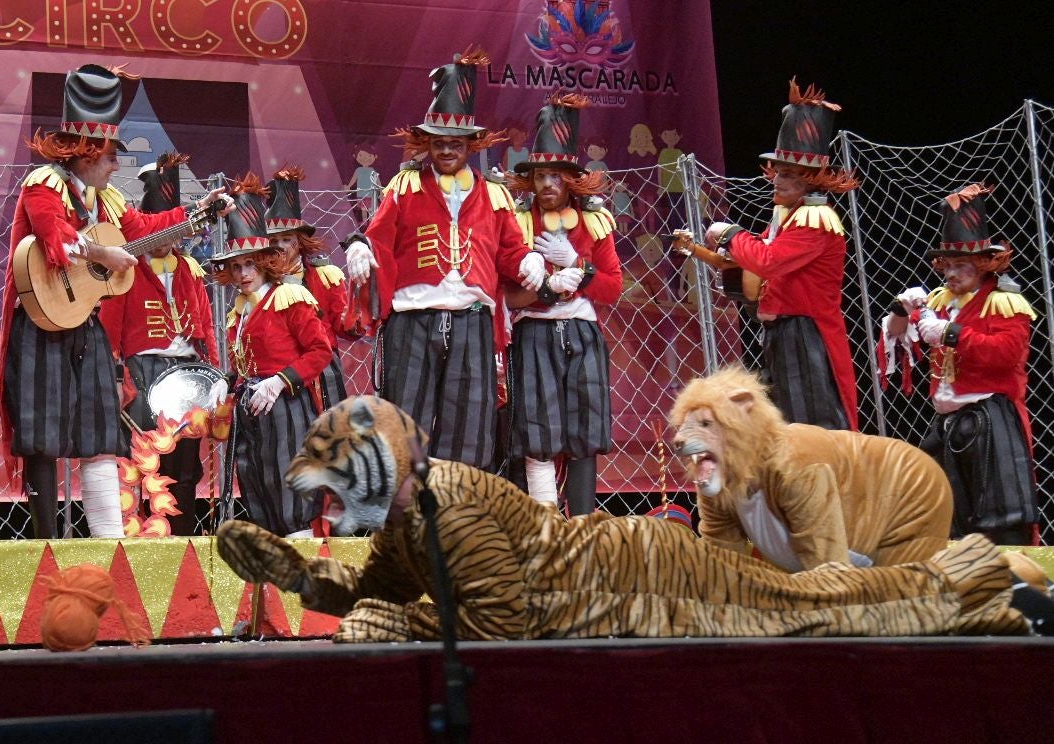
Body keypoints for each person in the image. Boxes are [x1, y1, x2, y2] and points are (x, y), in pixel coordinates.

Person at [217, 395, 1054, 643]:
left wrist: (398, 620)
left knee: (809, 611)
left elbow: (500, 623)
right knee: (803, 606)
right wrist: (297, 577)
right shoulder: (411, 519)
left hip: (639, 576)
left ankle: (983, 583)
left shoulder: (450, 510)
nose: (329, 498)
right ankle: (984, 591)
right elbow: (376, 585)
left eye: (334, 480)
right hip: (627, 572)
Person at [0, 65, 230, 539]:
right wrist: (105, 252)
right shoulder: (43, 183)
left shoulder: (110, 202)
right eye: (109, 156)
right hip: (42, 321)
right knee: (42, 434)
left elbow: (145, 231)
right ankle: (45, 539)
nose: (115, 165)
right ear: (85, 152)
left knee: (100, 425)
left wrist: (196, 213)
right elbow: (54, 235)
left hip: (83, 322)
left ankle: (109, 536)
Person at [343, 49, 532, 470]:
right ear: (427, 145)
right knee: (403, 418)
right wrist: (360, 247)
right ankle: (400, 518)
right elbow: (379, 236)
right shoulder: (406, 185)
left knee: (469, 421)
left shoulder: (494, 194)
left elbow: (511, 251)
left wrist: (529, 261)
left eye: (456, 143)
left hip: (471, 320)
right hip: (413, 318)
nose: (447, 151)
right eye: (439, 143)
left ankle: (455, 519)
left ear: (470, 145)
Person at [886, 184, 1038, 545]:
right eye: (948, 266)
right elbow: (896, 335)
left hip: (990, 420)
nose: (952, 274)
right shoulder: (940, 300)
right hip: (948, 422)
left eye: (962, 266)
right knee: (946, 509)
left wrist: (951, 334)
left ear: (983, 265)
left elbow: (1005, 355)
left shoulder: (1004, 303)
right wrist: (900, 309)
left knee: (1001, 516)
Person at [704, 80, 859, 430]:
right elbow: (753, 256)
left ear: (809, 181)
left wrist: (729, 233)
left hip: (806, 336)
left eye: (788, 175)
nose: (777, 181)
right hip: (783, 334)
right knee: (785, 424)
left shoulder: (815, 220)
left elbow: (767, 260)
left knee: (811, 426)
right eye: (778, 172)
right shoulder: (786, 217)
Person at [502, 94, 622, 515]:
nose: (547, 184)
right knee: (538, 433)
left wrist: (580, 268)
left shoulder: (595, 222)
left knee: (583, 432)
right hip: (533, 333)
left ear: (570, 179)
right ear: (530, 180)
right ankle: (547, 525)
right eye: (540, 176)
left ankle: (583, 527)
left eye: (555, 175)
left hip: (582, 333)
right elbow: (510, 296)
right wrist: (548, 287)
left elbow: (612, 288)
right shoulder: (517, 224)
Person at [98, 152, 218, 536]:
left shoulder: (189, 270)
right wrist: (117, 376)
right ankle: (140, 538)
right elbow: (110, 329)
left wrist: (215, 377)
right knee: (142, 460)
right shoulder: (126, 268)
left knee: (184, 462)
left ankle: (181, 539)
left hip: (184, 372)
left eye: (174, 235)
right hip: (143, 371)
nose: (167, 243)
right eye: (160, 235)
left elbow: (206, 329)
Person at [216, 178, 332, 536]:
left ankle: (302, 577)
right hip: (251, 408)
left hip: (286, 408)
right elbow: (243, 362)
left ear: (265, 264)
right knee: (256, 485)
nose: (243, 274)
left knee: (289, 492)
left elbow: (321, 351)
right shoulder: (240, 311)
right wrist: (227, 382)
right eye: (236, 267)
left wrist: (281, 381)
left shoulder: (289, 298)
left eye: (249, 265)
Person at [266, 166, 350, 409]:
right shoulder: (260, 286)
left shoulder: (324, 277)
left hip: (323, 373)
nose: (280, 247)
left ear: (300, 243)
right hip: (278, 373)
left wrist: (361, 297)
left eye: (287, 240)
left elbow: (347, 328)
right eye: (273, 241)